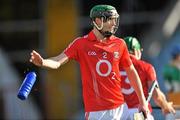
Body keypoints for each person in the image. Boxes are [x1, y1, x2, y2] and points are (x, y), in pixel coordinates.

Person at [30, 5, 149, 120]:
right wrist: (43, 62)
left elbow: (131, 72)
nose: (114, 24)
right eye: (111, 20)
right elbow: (57, 61)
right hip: (95, 112)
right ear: (98, 21)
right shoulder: (80, 44)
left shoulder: (120, 44)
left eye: (115, 20)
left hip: (119, 108)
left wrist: (142, 101)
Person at [120, 36, 176, 120]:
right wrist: (165, 105)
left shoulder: (113, 67)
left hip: (119, 114)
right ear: (136, 51)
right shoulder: (146, 67)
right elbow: (157, 96)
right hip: (139, 114)